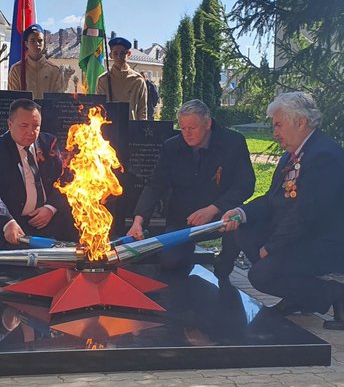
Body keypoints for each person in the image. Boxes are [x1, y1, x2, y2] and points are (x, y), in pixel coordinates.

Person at [220, 92, 344, 329]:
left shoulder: (324, 156)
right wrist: (240, 212)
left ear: (300, 122)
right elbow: (271, 200)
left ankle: (336, 294)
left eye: (278, 125)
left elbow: (306, 213)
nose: (274, 133)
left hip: (325, 242)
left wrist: (272, 247)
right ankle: (299, 296)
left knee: (261, 276)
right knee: (244, 231)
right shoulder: (292, 155)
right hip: (302, 235)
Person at [127, 100, 254, 272]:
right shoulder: (172, 146)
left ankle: (226, 264)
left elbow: (245, 184)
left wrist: (213, 209)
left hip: (222, 215)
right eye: (183, 128)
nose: (187, 134)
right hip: (183, 218)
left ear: (207, 123)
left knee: (238, 231)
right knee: (171, 263)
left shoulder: (233, 143)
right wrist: (138, 221)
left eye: (192, 128)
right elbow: (156, 185)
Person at [0, 99, 78, 250]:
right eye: (24, 126)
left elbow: (64, 178)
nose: (31, 132)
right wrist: (8, 222)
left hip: (48, 221)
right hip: (13, 224)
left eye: (36, 126)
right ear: (10, 124)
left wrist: (51, 207)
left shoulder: (48, 142)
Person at [7, 24, 68, 99]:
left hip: (47, 110)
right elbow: (14, 100)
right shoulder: (16, 70)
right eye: (32, 41)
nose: (37, 44)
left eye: (40, 40)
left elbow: (57, 100)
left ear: (44, 43)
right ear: (26, 43)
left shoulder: (54, 71)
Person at [96, 37, 148, 120]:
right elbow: (99, 109)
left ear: (129, 54)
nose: (119, 57)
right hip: (109, 128)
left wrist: (140, 131)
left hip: (131, 129)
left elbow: (142, 111)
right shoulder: (103, 80)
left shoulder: (138, 80)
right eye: (115, 54)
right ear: (110, 55)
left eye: (122, 53)